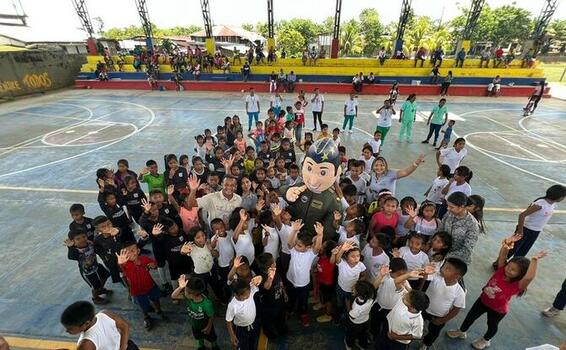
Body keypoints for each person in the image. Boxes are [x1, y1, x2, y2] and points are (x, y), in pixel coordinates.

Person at [446, 235, 547, 350]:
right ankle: (462, 331)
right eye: (509, 266)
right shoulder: (501, 270)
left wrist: (534, 260)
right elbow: (503, 256)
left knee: (492, 325)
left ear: (520, 274)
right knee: (470, 316)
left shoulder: (518, 285)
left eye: (513, 270)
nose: (508, 269)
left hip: (497, 310)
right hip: (483, 300)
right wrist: (507, 244)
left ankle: (486, 340)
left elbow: (529, 277)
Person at [117, 241, 167, 330]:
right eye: (126, 252)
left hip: (150, 285)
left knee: (156, 298)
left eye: (132, 250)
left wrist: (153, 265)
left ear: (138, 251)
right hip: (137, 291)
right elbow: (122, 266)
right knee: (142, 305)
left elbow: (154, 265)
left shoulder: (144, 258)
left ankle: (159, 310)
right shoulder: (125, 264)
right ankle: (146, 316)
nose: (130, 253)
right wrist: (121, 263)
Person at [506, 184, 565, 259]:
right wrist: (520, 230)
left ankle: (515, 266)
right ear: (558, 196)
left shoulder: (553, 204)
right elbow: (522, 215)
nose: (564, 198)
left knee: (523, 251)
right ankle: (499, 264)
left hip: (535, 231)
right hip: (525, 229)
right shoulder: (540, 204)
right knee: (512, 249)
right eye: (563, 196)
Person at [420, 257, 467, 349]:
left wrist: (442, 320)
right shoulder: (436, 276)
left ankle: (426, 344)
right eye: (444, 266)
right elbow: (425, 277)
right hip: (423, 309)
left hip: (440, 316)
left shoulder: (459, 292)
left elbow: (456, 309)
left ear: (456, 276)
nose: (442, 269)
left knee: (433, 333)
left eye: (447, 269)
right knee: (417, 323)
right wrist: (426, 271)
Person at [60, 300, 139, 350]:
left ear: (86, 323)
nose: (67, 331)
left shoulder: (86, 343)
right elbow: (125, 326)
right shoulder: (105, 314)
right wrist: (123, 347)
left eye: (70, 328)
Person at [172, 275, 220, 350]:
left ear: (191, 294)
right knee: (198, 336)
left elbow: (211, 316)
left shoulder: (207, 304)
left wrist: (209, 327)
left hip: (205, 325)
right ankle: (201, 346)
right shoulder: (188, 297)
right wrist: (180, 287)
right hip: (194, 325)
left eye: (185, 290)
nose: (184, 291)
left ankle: (214, 345)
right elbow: (173, 296)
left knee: (212, 337)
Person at [439, 192, 480, 265]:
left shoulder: (473, 225)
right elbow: (440, 230)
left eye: (451, 207)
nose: (448, 209)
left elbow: (466, 250)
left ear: (462, 207)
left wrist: (445, 256)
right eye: (448, 206)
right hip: (441, 252)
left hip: (456, 261)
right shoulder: (449, 214)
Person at [225, 276, 263, 350]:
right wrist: (232, 335)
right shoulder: (232, 305)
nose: (248, 296)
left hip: (253, 324)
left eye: (248, 294)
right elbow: (228, 321)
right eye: (245, 296)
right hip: (241, 330)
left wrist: (259, 278)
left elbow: (260, 279)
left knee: (253, 342)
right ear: (236, 295)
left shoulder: (250, 290)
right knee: (243, 346)